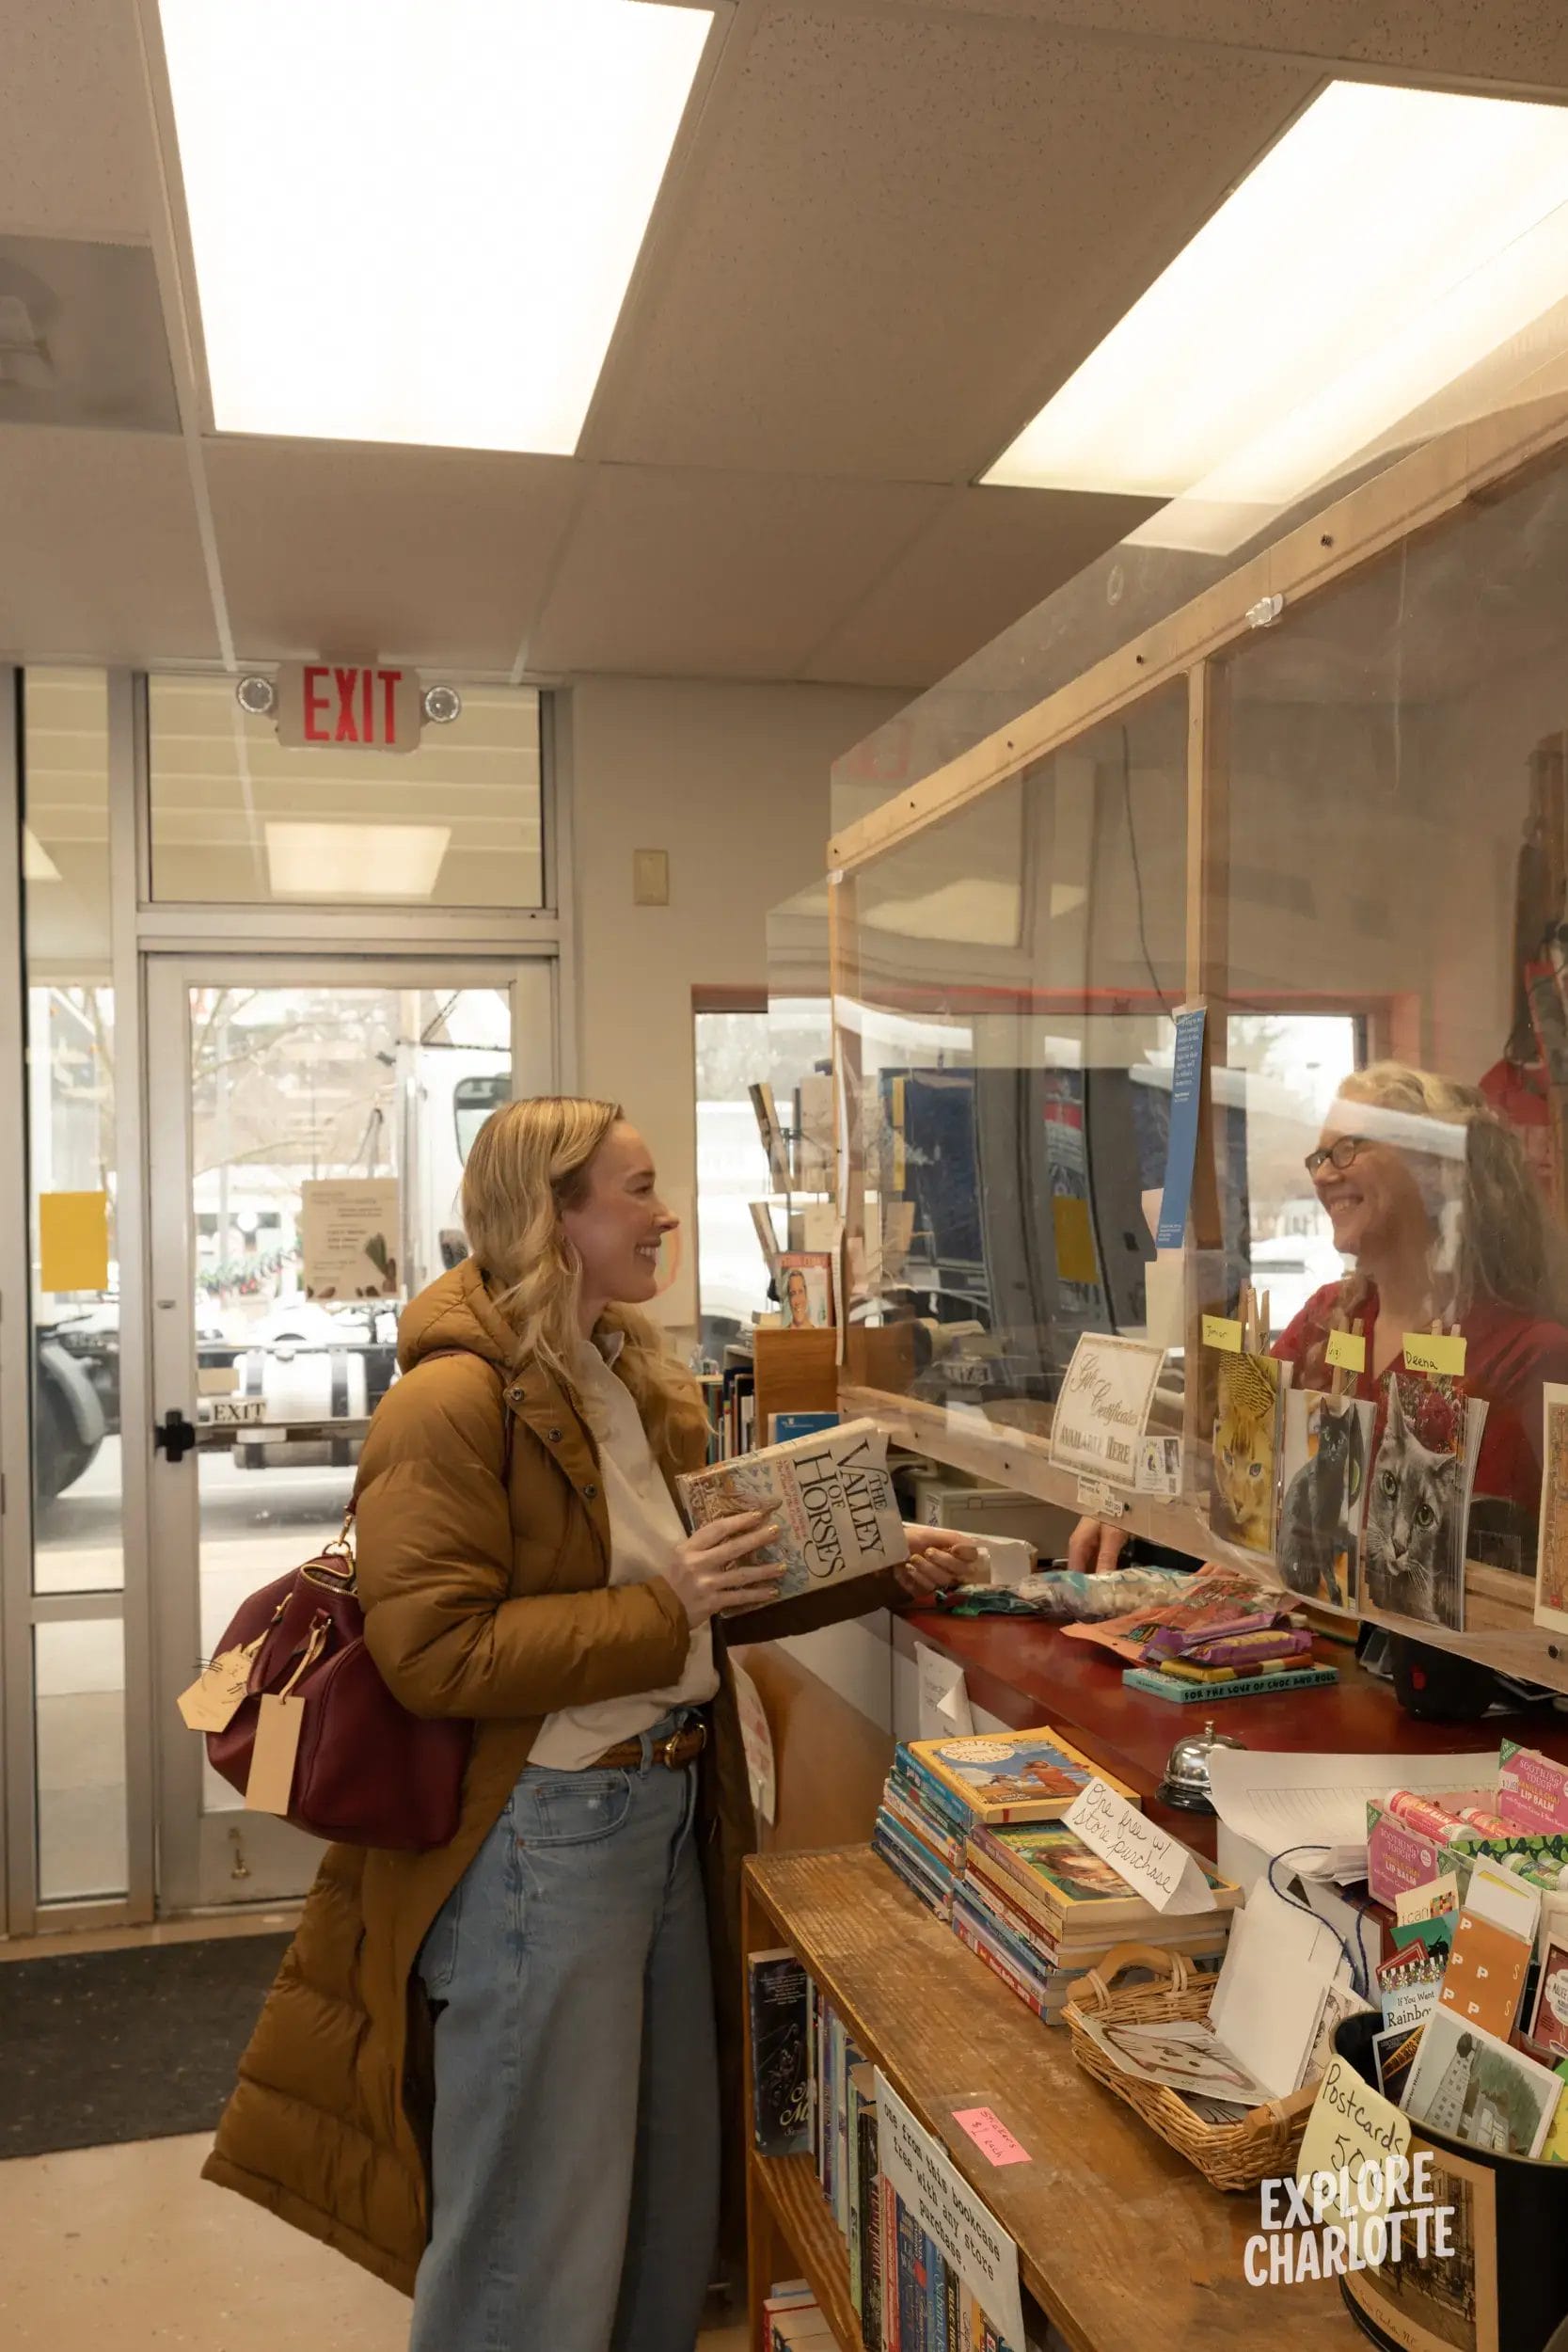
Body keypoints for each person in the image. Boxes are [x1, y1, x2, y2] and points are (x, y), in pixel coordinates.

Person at [202, 1097, 976, 2352]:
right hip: (542, 1840)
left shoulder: (630, 1381)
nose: (664, 1211)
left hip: (661, 1812)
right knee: (535, 2235)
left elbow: (701, 1591)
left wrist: (881, 1559)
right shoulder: (450, 1405)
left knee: (666, 2201)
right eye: (635, 1187)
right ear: (550, 1216)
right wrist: (651, 1606)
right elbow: (433, 1654)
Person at [1068, 1060, 1568, 1574]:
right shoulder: (1327, 1317)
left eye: (1350, 1148)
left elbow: (1468, 1571)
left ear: (1437, 1169)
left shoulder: (1528, 1353)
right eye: (1320, 1156)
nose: (1325, 1174)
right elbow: (1237, 1466)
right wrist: (1135, 1500)